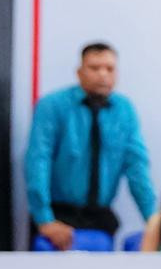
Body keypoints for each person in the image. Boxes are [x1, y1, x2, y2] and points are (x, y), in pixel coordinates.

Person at [24, 42, 154, 249]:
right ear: (79, 72)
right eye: (94, 68)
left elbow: (137, 170)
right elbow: (38, 162)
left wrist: (155, 223)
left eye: (109, 69)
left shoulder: (124, 110)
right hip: (58, 214)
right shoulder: (52, 106)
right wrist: (44, 219)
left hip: (100, 217)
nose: (102, 74)